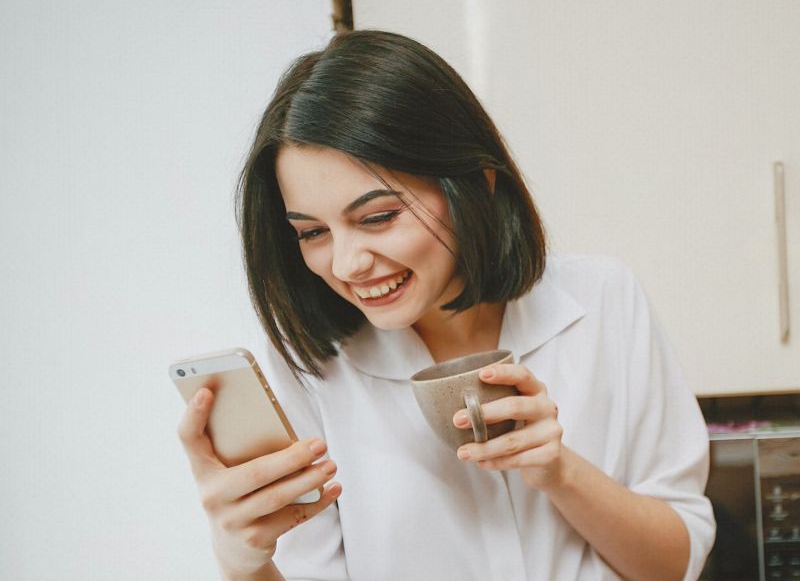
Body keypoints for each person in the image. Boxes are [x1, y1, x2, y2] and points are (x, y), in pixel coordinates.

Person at [177, 30, 715, 580]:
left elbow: (671, 566)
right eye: (313, 232)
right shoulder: (313, 365)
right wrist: (241, 561)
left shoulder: (603, 302)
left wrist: (558, 471)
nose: (346, 264)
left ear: (475, 184)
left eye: (377, 217)